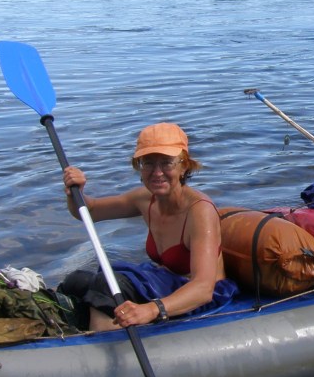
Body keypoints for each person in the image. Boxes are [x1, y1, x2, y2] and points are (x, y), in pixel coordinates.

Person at [57, 122, 236, 331]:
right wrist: (75, 191)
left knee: (107, 285)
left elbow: (203, 289)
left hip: (199, 295)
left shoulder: (200, 211)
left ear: (184, 166)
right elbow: (90, 211)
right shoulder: (144, 199)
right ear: (139, 167)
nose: (157, 172)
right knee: (75, 282)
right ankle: (67, 334)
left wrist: (152, 309)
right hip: (163, 282)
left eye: (167, 163)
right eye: (148, 163)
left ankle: (102, 347)